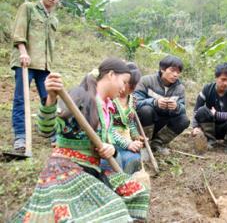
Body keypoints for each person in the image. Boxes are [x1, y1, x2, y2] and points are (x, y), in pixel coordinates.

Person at [10, 58, 150, 222]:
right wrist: (51, 99)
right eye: (124, 82)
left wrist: (111, 148)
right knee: (112, 209)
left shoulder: (108, 106)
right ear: (111, 75)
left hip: (93, 169)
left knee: (138, 192)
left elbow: (109, 139)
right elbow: (45, 130)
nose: (124, 88)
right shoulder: (80, 96)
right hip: (66, 169)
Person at [10, 0, 63, 152]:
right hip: (26, 62)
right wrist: (23, 52)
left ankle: (52, 133)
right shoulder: (28, 8)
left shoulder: (53, 19)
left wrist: (50, 65)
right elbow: (19, 32)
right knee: (21, 99)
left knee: (49, 100)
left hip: (45, 65)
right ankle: (20, 137)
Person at [134, 55, 190, 155]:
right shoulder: (146, 81)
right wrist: (154, 102)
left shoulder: (180, 88)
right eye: (172, 70)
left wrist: (176, 106)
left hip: (164, 122)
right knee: (146, 110)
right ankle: (144, 143)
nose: (175, 74)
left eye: (178, 72)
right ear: (162, 69)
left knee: (184, 120)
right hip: (145, 121)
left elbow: (182, 108)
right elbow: (134, 102)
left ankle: (157, 143)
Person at [100, 62, 143, 174]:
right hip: (111, 141)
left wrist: (135, 136)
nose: (126, 88)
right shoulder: (110, 99)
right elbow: (107, 128)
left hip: (127, 139)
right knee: (115, 163)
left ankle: (126, 183)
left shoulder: (133, 100)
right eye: (125, 83)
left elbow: (130, 121)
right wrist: (127, 144)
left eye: (134, 85)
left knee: (133, 159)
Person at [191, 63, 227, 153]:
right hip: (209, 127)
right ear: (216, 77)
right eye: (223, 79)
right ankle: (211, 140)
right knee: (202, 110)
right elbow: (197, 110)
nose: (226, 83)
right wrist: (195, 127)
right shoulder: (207, 89)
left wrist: (217, 114)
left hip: (226, 128)